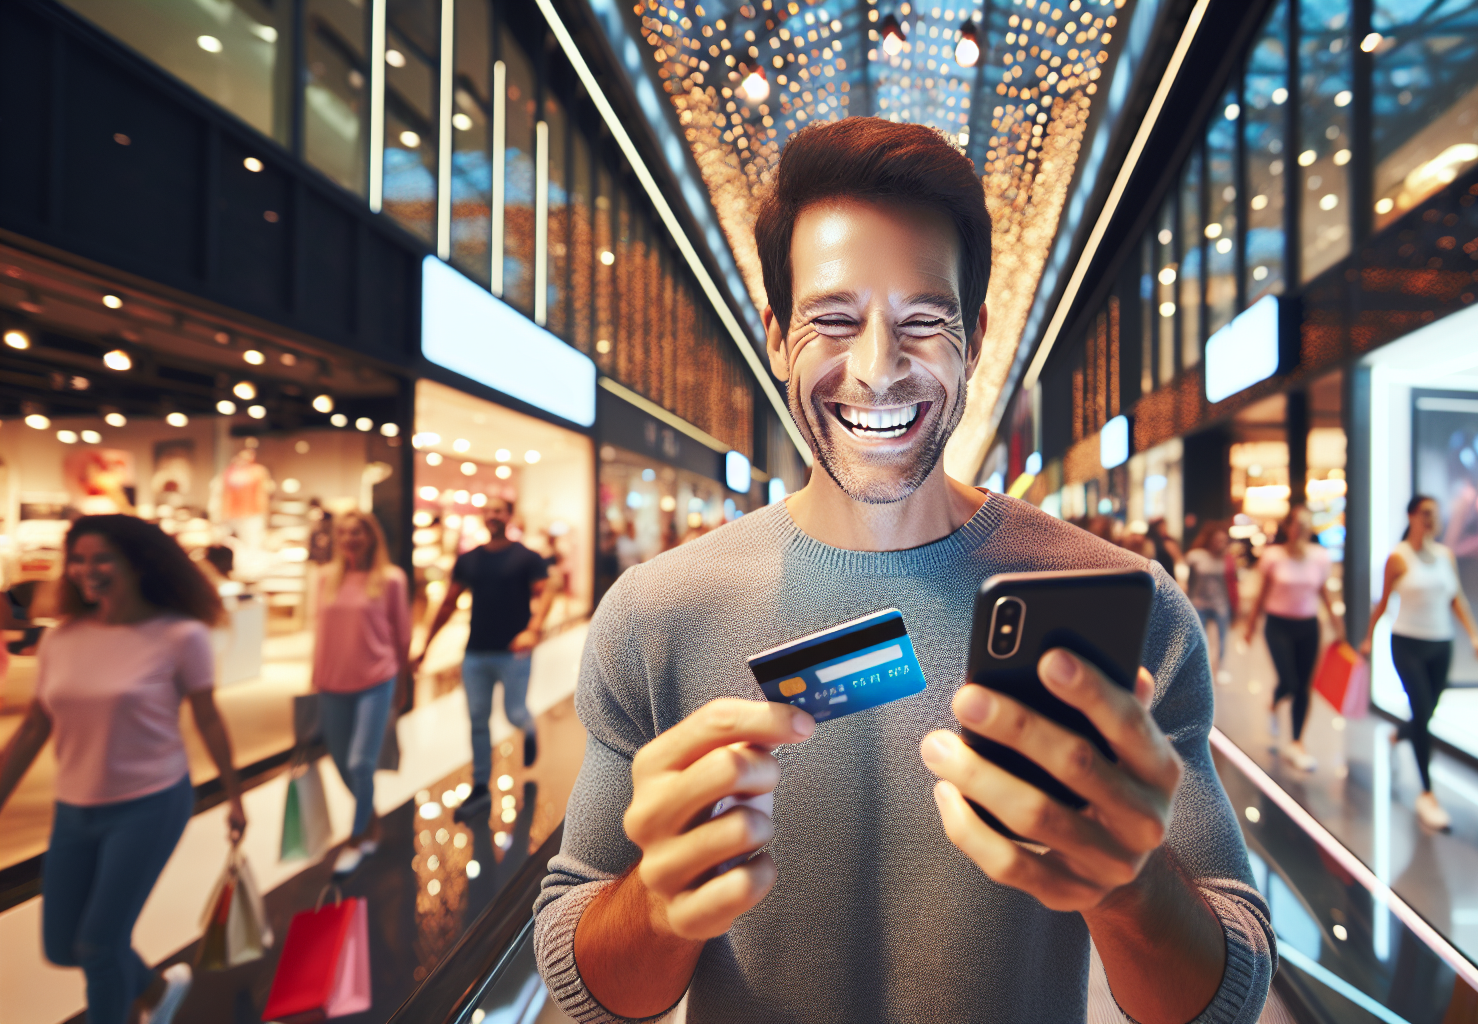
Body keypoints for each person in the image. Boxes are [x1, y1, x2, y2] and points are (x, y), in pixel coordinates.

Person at [533, 118, 1272, 1024]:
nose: (878, 371)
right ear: (775, 336)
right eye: (833, 321)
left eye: (923, 322)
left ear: (974, 340)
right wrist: (657, 898)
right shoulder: (656, 614)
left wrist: (1129, 887)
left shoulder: (1127, 612)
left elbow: (1225, 986)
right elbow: (585, 979)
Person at [0, 515, 245, 1024]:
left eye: (102, 558)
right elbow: (32, 730)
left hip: (150, 803)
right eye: (79, 559)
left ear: (140, 563)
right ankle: (155, 991)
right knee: (64, 944)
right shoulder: (62, 639)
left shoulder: (180, 635)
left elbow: (207, 718)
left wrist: (234, 794)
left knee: (100, 943)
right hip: (74, 806)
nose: (87, 569)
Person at [413, 497, 557, 824]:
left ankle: (529, 729)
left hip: (513, 653)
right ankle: (480, 786)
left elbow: (547, 591)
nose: (493, 516)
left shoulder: (527, 557)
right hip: (476, 653)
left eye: (499, 510)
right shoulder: (469, 560)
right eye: (488, 510)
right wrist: (425, 645)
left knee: (514, 712)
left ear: (509, 516)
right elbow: (449, 603)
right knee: (478, 720)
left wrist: (533, 629)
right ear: (483, 517)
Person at [1359, 495, 1478, 831]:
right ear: (1413, 516)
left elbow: (1456, 597)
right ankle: (1427, 793)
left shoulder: (1445, 555)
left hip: (1440, 645)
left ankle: (1398, 735)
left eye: (1436, 513)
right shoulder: (1399, 557)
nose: (1432, 519)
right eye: (1426, 514)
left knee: (1425, 712)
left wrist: (1474, 635)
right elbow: (1384, 601)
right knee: (1422, 712)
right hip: (1407, 644)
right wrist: (1368, 637)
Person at [311, 510, 409, 876]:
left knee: (360, 763)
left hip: (376, 680)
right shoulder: (325, 578)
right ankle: (370, 819)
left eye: (357, 532)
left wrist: (403, 680)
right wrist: (314, 675)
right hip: (331, 683)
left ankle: (356, 838)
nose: (350, 538)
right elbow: (320, 631)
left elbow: (402, 634)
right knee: (339, 761)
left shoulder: (389, 580)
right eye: (344, 533)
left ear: (371, 536)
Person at [1241, 505, 1342, 772]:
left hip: (1309, 626)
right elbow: (1261, 594)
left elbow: (1323, 593)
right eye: (1297, 524)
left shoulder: (1319, 557)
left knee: (1303, 687)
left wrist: (1336, 623)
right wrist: (1249, 627)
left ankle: (1297, 742)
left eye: (1306, 525)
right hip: (1278, 625)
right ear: (1288, 527)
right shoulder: (1273, 556)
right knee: (1288, 680)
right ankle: (1274, 703)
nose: (1301, 530)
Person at [1186, 521, 1234, 665]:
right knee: (1199, 639)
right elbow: (1185, 578)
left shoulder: (1228, 560)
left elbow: (1232, 585)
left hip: (1220, 604)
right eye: (1218, 540)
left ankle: (1218, 668)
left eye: (1224, 541)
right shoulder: (1196, 556)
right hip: (1199, 602)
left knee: (1222, 640)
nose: (1221, 544)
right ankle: (1201, 667)